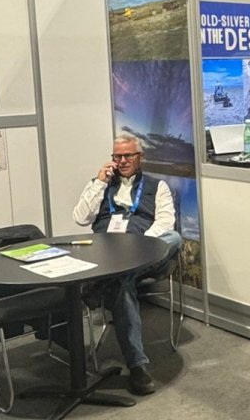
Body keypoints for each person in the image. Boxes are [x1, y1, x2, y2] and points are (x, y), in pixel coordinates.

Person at [72, 135, 182, 395]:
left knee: (174, 238)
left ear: (139, 157)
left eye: (127, 156)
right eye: (117, 156)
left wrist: (137, 247)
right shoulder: (99, 185)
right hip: (108, 254)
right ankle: (137, 366)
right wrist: (99, 183)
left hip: (145, 253)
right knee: (122, 282)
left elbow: (165, 222)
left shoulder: (158, 186)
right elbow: (80, 218)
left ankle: (99, 285)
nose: (122, 161)